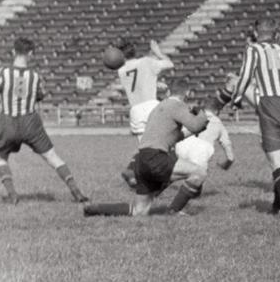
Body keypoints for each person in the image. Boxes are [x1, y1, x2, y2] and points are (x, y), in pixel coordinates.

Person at [0, 37, 90, 205]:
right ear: (31, 53)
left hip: (9, 121)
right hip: (31, 122)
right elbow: (40, 95)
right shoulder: (36, 76)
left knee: (1, 157)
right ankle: (77, 192)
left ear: (13, 52)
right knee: (52, 157)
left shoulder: (2, 73)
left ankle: (13, 195)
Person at [83, 79, 210, 217]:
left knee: (139, 211)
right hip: (156, 157)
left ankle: (94, 209)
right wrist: (202, 114)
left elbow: (174, 137)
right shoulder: (178, 105)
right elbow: (196, 125)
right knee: (199, 173)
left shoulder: (161, 107)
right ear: (188, 93)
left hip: (142, 159)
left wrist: (200, 125)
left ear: (169, 91)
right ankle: (173, 211)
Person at [229, 18, 280, 219]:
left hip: (271, 106)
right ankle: (277, 204)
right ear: (276, 34)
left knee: (277, 162)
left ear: (256, 34)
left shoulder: (254, 50)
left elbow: (245, 76)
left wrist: (236, 99)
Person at [115, 38, 174, 187]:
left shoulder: (121, 70)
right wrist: (158, 52)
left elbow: (138, 82)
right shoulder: (147, 62)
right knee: (167, 143)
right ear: (135, 51)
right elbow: (170, 64)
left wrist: (154, 83)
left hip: (135, 110)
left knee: (145, 150)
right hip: (152, 107)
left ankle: (135, 174)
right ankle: (162, 179)